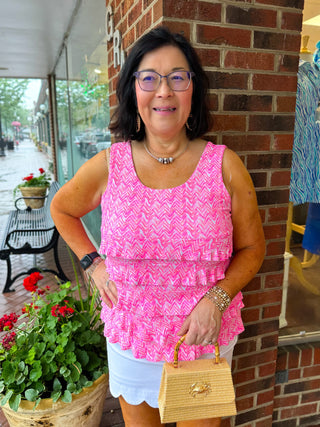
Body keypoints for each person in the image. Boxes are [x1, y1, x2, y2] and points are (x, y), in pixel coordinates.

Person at [51, 26, 265, 427]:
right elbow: (62, 209)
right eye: (149, 77)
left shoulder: (224, 165)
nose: (163, 91)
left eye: (177, 77)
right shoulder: (109, 165)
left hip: (202, 337)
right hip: (133, 333)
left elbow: (253, 249)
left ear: (193, 90)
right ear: (134, 89)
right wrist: (93, 264)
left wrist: (216, 301)